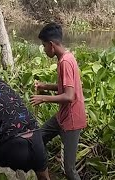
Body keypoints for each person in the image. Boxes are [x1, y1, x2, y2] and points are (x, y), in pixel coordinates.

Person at [30, 22, 87, 180]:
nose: (44, 50)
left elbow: (69, 96)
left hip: (72, 120)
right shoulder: (65, 57)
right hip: (62, 116)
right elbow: (66, 87)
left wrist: (43, 98)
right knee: (38, 138)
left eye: (44, 46)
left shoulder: (65, 62)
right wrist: (45, 86)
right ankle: (42, 168)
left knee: (69, 170)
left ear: (52, 45)